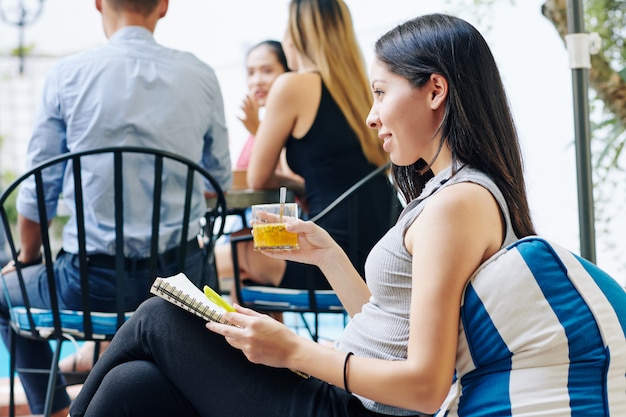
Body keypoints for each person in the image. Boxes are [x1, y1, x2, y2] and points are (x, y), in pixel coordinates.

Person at [68, 11, 626, 417]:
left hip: (351, 410)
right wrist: (329, 256)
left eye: (381, 93)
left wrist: (294, 350)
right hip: (348, 395)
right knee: (132, 389)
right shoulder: (451, 193)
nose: (371, 114)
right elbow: (397, 332)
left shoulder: (458, 204)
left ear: (435, 91)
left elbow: (425, 387)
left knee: (160, 317)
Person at [0, 0, 231, 416]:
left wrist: (27, 258)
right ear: (163, 7)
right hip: (182, 285)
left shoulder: (68, 75)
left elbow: (39, 191)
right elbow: (217, 184)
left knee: (2, 293)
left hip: (89, 286)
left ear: (99, 3)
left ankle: (54, 409)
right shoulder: (201, 75)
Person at [216, 0, 393, 303]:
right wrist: (301, 185)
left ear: (296, 33)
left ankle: (243, 350)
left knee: (235, 251)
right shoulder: (362, 89)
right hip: (383, 248)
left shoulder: (293, 86)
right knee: (254, 249)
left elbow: (258, 178)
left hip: (334, 257)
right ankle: (270, 348)